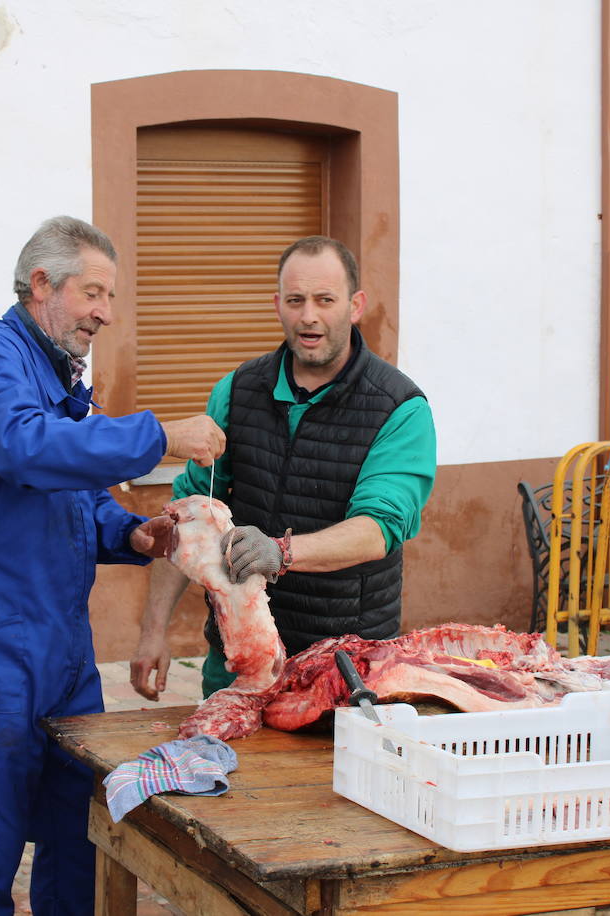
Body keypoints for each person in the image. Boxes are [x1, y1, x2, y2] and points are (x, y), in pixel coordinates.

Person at [0, 216, 225, 915]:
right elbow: (26, 449)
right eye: (93, 294)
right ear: (41, 285)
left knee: (79, 829)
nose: (104, 314)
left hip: (62, 643)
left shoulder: (61, 372)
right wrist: (161, 434)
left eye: (110, 298)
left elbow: (75, 496)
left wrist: (132, 534)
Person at [130, 235, 437, 701]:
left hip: (344, 671)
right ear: (278, 305)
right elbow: (188, 516)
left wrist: (281, 551)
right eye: (296, 300)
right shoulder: (236, 391)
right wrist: (153, 631)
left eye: (324, 300)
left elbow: (377, 529)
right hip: (239, 662)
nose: (309, 316)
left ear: (355, 306)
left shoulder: (400, 408)